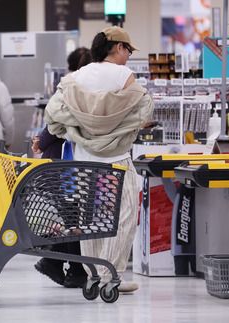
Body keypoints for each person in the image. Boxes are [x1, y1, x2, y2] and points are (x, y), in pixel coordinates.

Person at [44, 26, 154, 293]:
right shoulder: (124, 76)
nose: (128, 56)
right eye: (128, 50)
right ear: (117, 48)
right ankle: (111, 273)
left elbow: (53, 114)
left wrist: (74, 129)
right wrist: (119, 128)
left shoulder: (76, 78)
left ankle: (93, 272)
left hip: (84, 162)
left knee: (90, 219)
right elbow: (145, 111)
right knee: (125, 214)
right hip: (116, 160)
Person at [31, 47, 92, 288]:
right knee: (73, 218)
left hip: (62, 168)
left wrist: (41, 140)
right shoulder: (90, 93)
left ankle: (57, 263)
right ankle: (70, 268)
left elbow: (54, 126)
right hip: (75, 167)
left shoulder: (69, 90)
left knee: (70, 218)